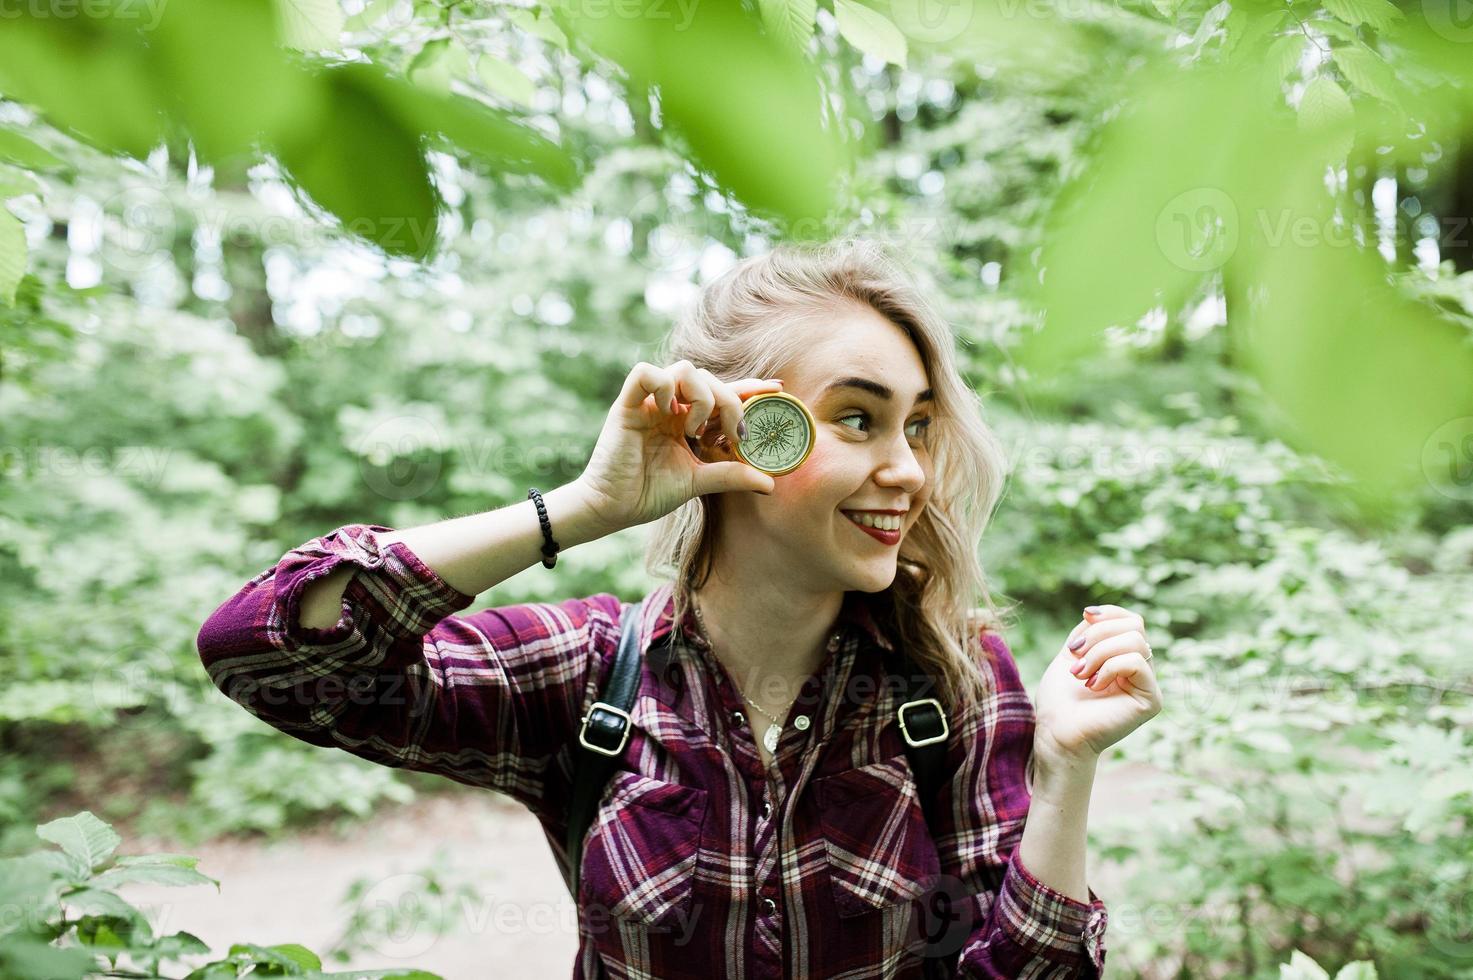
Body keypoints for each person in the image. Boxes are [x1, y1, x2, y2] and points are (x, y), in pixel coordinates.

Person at [196, 237, 1163, 978]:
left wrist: (1064, 772)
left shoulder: (951, 680)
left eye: (916, 425)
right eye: (858, 418)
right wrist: (581, 508)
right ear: (739, 429)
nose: (906, 469)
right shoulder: (587, 673)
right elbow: (267, 651)